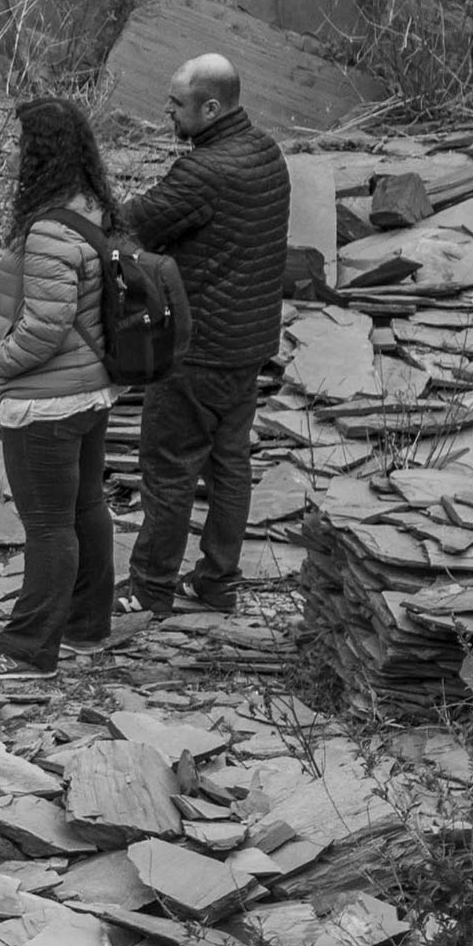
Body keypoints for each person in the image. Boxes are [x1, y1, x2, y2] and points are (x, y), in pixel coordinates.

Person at [119, 53, 292, 624]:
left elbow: (135, 223)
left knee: (169, 468)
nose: (165, 110)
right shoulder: (267, 153)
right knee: (230, 464)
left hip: (196, 350)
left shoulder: (203, 172)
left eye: (176, 104)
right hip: (248, 343)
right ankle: (218, 582)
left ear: (212, 107)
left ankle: (149, 589)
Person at [0, 99, 117, 679]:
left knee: (48, 524)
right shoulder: (93, 209)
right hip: (88, 393)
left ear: (41, 153)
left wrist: (0, 366)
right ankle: (88, 628)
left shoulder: (48, 229)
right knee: (86, 508)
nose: (13, 155)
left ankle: (28, 650)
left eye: (20, 146)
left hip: (47, 402)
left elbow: (45, 324)